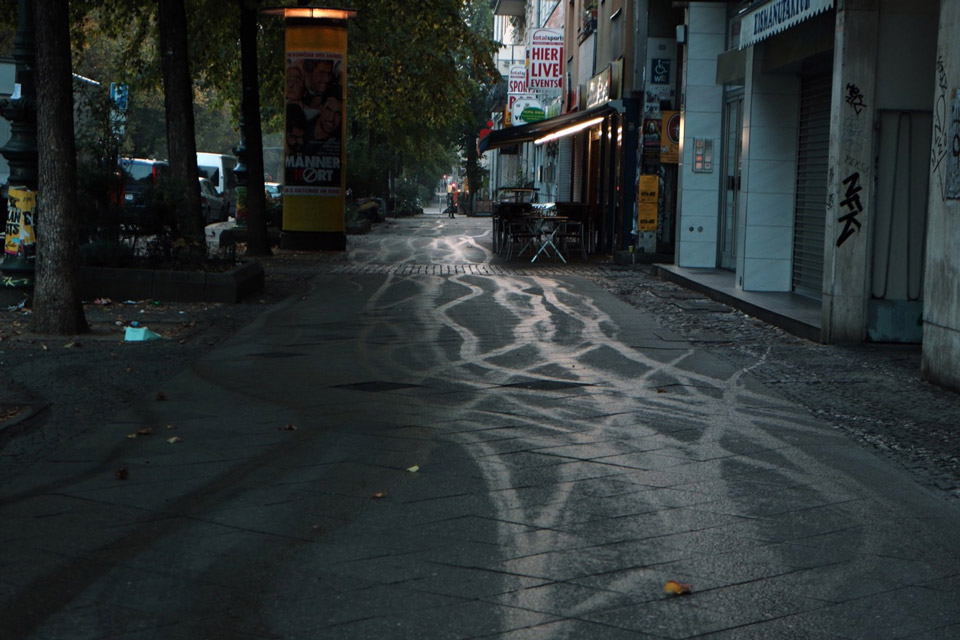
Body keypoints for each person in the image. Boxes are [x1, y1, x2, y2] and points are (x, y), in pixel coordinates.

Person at [304, 86, 342, 155]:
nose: (331, 118)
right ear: (321, 107)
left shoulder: (340, 144)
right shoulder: (302, 118)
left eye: (338, 114)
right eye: (329, 109)